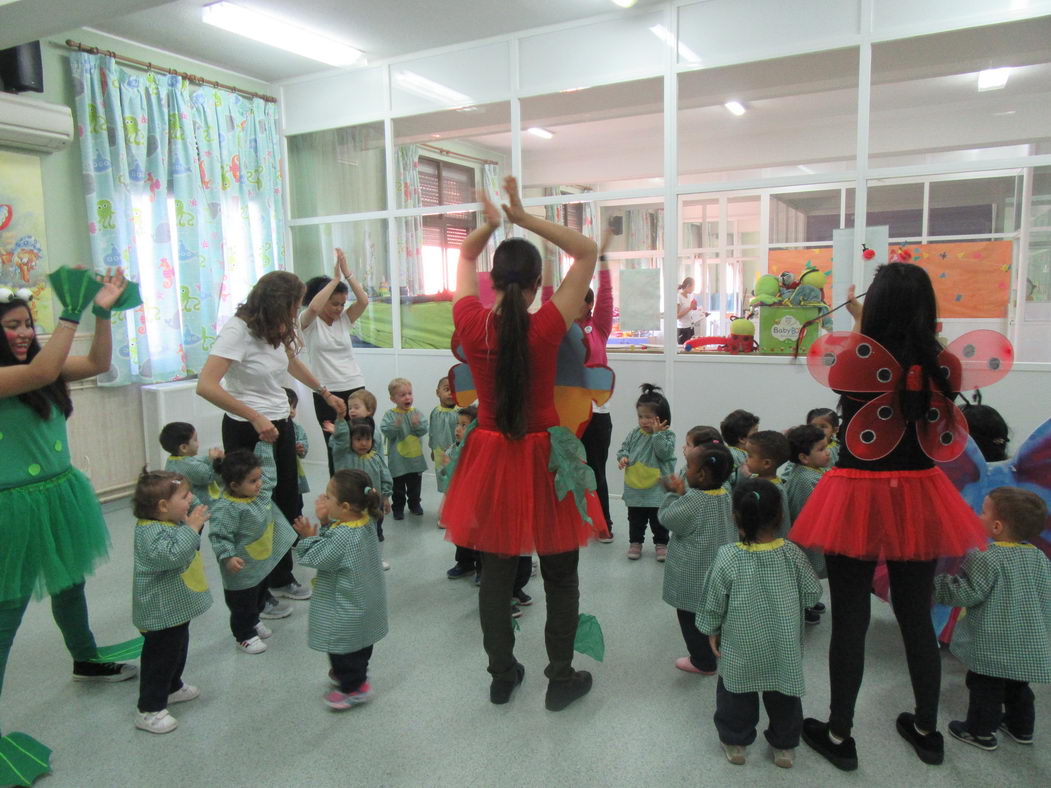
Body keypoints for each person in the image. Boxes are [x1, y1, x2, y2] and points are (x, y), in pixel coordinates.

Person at [791, 263, 989, 770]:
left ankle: (839, 733)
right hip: (919, 496)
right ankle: (927, 729)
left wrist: (862, 322)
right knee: (914, 614)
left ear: (875, 307)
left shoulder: (858, 359)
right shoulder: (944, 364)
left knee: (850, 621)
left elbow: (862, 362)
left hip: (855, 496)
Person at [440, 175, 604, 710]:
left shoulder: (469, 322)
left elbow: (464, 254)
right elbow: (586, 250)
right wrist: (523, 216)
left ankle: (502, 674)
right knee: (560, 573)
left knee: (496, 574)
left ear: (492, 280)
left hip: (489, 455)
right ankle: (560, 677)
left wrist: (490, 222)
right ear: (538, 284)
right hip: (545, 457)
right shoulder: (549, 325)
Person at [1, 270, 137, 754]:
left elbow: (100, 362)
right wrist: (71, 309)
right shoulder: (20, 373)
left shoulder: (47, 365)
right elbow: (39, 373)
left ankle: (85, 658)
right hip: (12, 506)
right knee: (7, 608)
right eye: (9, 326)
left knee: (69, 582)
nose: (20, 334)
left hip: (58, 493)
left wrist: (101, 311)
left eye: (24, 324)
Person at [197, 271, 345, 604]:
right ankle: (255, 590)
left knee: (288, 502)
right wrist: (254, 416)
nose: (296, 313)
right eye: (293, 305)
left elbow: (290, 363)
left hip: (278, 423)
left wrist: (324, 391)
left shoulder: (276, 326)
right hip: (247, 429)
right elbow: (205, 385)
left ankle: (281, 576)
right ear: (276, 303)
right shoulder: (237, 331)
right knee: (255, 513)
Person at [697, 478, 822, 769]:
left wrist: (711, 629)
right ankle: (784, 746)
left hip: (740, 645)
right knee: (785, 693)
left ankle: (736, 741)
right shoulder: (792, 554)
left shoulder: (728, 556)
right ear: (779, 516)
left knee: (735, 693)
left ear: (735, 517)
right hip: (783, 644)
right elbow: (812, 593)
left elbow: (713, 600)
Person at [933, 487, 1051, 751]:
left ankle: (979, 732)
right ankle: (1022, 729)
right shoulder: (1039, 557)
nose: (977, 515)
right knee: (1019, 687)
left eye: (983, 511)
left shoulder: (986, 556)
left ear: (997, 526)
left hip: (993, 643)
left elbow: (967, 593)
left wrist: (938, 584)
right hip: (1028, 642)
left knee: (984, 687)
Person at [542, 227, 616, 542]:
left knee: (595, 470)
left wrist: (602, 258)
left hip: (597, 413)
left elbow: (607, 294)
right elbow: (546, 296)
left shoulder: (597, 326)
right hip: (562, 415)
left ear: (587, 305)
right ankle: (565, 521)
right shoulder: (554, 327)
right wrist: (547, 256)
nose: (568, 304)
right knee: (561, 469)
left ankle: (603, 526)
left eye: (577, 301)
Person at [294, 469, 388, 711]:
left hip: (346, 607)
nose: (323, 500)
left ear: (345, 506)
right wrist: (327, 522)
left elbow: (316, 556)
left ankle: (354, 687)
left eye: (328, 497)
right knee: (361, 643)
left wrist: (306, 536)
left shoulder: (343, 536)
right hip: (365, 603)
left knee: (341, 646)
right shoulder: (366, 521)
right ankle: (354, 673)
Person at [130, 469, 211, 734]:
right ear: (163, 506)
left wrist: (193, 510)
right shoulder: (149, 531)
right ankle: (149, 709)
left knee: (178, 647)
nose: (191, 500)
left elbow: (194, 509)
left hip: (175, 608)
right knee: (160, 657)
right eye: (185, 496)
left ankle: (173, 686)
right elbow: (172, 555)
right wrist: (192, 528)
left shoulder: (170, 519)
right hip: (160, 610)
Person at [207, 444, 300, 654]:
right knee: (242, 604)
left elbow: (269, 474)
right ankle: (244, 635)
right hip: (240, 569)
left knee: (259, 595)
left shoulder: (258, 494)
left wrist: (265, 445)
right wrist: (228, 557)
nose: (259, 484)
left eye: (258, 479)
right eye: (253, 481)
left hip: (260, 563)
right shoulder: (226, 508)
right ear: (234, 485)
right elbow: (219, 535)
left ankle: (255, 620)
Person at [660, 443, 735, 675]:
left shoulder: (693, 500)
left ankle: (702, 662)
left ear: (701, 474)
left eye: (688, 466)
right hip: (720, 570)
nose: (685, 470)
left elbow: (668, 518)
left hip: (694, 575)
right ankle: (718, 647)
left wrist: (673, 493)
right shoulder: (725, 492)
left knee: (690, 617)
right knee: (717, 613)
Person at [300, 248, 370, 476]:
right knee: (336, 447)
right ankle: (339, 497)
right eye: (335, 304)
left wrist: (347, 274)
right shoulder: (308, 323)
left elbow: (363, 300)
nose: (340, 309)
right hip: (326, 392)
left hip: (355, 388)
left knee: (362, 442)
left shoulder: (344, 320)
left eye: (342, 304)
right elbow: (312, 307)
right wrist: (335, 280)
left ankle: (365, 492)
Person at [617, 384, 676, 562]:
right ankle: (635, 542)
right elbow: (624, 448)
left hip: (657, 488)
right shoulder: (635, 433)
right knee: (635, 518)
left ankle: (661, 543)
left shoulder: (667, 435)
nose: (643, 421)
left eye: (648, 417)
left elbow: (664, 453)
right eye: (640, 416)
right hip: (635, 486)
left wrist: (657, 435)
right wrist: (623, 458)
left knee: (658, 518)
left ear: (662, 418)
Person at [326, 418, 392, 569]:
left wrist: (386, 498)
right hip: (350, 507)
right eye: (358, 439)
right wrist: (338, 434)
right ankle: (350, 560)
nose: (364, 443)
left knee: (374, 531)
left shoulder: (375, 458)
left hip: (372, 505)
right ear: (349, 440)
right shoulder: (344, 456)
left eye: (367, 439)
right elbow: (337, 444)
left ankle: (375, 559)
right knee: (350, 532)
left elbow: (385, 478)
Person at [783, 424, 831, 623]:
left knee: (807, 571)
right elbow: (809, 511)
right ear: (804, 457)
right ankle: (802, 606)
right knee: (804, 571)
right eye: (821, 449)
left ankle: (808, 600)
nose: (828, 453)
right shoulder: (805, 479)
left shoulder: (809, 470)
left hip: (810, 535)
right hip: (805, 537)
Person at [380, 377, 428, 520]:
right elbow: (386, 431)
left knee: (415, 486)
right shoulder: (390, 415)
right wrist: (395, 425)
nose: (408, 397)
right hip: (398, 460)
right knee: (398, 488)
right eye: (402, 395)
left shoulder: (416, 413)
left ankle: (414, 504)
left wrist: (416, 424)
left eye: (409, 393)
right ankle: (398, 507)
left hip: (415, 459)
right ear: (393, 399)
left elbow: (424, 429)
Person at [740, 430, 791, 539]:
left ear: (766, 463)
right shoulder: (765, 481)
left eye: (749, 456)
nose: (746, 459)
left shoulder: (773, 490)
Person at [161, 421, 223, 508]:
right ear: (184, 448)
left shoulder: (173, 460)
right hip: (202, 506)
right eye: (195, 440)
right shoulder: (188, 466)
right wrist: (213, 460)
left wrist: (209, 458)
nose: (198, 444)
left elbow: (198, 462)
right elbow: (208, 476)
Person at [429, 377, 459, 495]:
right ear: (438, 392)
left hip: (456, 453)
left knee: (456, 479)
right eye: (447, 389)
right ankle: (447, 506)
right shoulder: (435, 412)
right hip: (440, 452)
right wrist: (432, 449)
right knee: (444, 479)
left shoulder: (460, 412)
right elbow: (432, 432)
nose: (451, 394)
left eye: (454, 390)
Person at [721, 409, 759, 485]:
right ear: (742, 439)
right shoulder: (743, 457)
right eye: (755, 432)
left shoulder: (724, 453)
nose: (758, 436)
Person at [285, 388, 310, 497]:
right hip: (278, 469)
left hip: (294, 468)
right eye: (288, 406)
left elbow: (304, 443)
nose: (291, 411)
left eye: (294, 407)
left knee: (295, 494)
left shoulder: (297, 428)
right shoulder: (271, 428)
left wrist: (301, 448)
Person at [676, 277, 703, 345]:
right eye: (693, 287)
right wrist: (690, 308)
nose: (693, 290)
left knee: (690, 350)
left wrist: (701, 314)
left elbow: (690, 311)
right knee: (683, 351)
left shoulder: (689, 296)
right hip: (682, 329)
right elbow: (677, 316)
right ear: (688, 286)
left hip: (690, 327)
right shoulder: (678, 297)